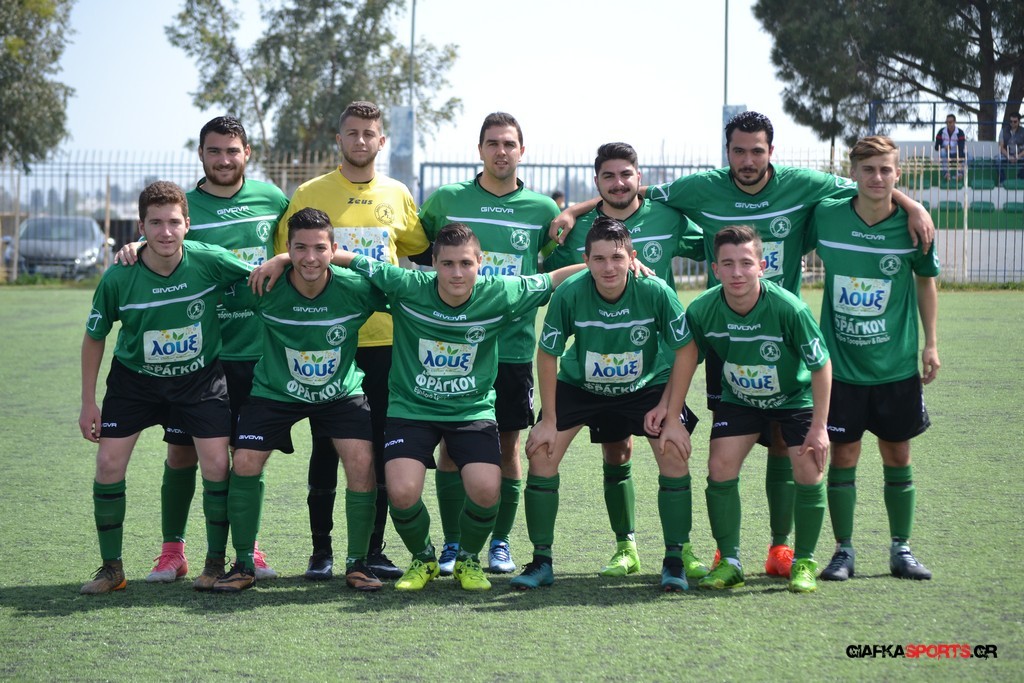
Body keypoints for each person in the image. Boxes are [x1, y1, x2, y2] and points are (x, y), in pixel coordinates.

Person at [550, 111, 933, 580]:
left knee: (783, 446)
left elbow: (867, 186)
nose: (748, 160)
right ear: (727, 152)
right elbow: (629, 193)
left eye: (757, 151)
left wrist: (911, 205)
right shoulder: (700, 189)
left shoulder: (804, 184)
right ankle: (724, 553)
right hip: (727, 344)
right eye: (738, 151)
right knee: (721, 451)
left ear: (772, 151)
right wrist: (573, 211)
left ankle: (782, 549)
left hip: (782, 334)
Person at [255, 223, 584, 590]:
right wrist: (284, 259)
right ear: (433, 265)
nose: (456, 273)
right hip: (411, 410)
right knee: (401, 492)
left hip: (470, 411)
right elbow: (353, 259)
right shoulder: (407, 286)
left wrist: (606, 265)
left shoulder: (501, 292)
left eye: (465, 263)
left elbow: (553, 278)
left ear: (480, 263)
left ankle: (468, 559)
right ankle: (424, 558)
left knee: (487, 489)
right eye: (447, 264)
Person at [116, 115, 289, 588]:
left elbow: (296, 246)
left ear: (247, 153)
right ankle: (173, 552)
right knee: (181, 455)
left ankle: (248, 546)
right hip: (196, 356)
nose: (224, 159)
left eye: (232, 150)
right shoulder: (184, 207)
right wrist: (134, 245)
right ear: (201, 154)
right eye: (215, 151)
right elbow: (160, 239)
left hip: (255, 349)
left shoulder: (273, 199)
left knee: (248, 454)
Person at [275, 101, 430, 581]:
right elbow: (288, 254)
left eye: (369, 133)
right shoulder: (310, 193)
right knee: (327, 445)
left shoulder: (397, 194)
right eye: (352, 133)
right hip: (328, 339)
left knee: (380, 445)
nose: (361, 141)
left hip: (384, 341)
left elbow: (421, 252)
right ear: (338, 140)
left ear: (381, 141)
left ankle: (372, 550)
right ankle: (320, 552)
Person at [542, 142, 708, 580]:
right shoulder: (578, 230)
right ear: (597, 182)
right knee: (615, 451)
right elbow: (550, 272)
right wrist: (571, 212)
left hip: (653, 368)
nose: (618, 184)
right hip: (592, 370)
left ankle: (681, 550)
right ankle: (625, 547)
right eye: (608, 176)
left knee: (672, 448)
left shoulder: (668, 216)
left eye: (626, 175)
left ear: (639, 177)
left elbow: (709, 245)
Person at [79, 181, 253, 594]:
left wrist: (290, 262)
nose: (166, 231)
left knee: (216, 465)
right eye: (155, 223)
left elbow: (264, 275)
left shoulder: (210, 260)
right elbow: (94, 336)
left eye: (174, 222)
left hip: (199, 380)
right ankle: (112, 569)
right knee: (108, 465)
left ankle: (214, 563)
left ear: (188, 224)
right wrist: (88, 402)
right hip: (135, 381)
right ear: (140, 228)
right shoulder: (119, 276)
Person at [512, 217, 700, 592]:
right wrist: (548, 420)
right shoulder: (570, 293)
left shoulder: (655, 291)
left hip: (645, 384)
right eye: (598, 259)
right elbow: (547, 354)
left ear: (632, 257)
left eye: (616, 258)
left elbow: (686, 350)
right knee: (541, 452)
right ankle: (542, 561)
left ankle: (675, 559)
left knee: (673, 449)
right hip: (581, 385)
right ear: (586, 260)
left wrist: (672, 415)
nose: (608, 267)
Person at [210, 208, 388, 592]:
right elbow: (209, 282)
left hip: (340, 392)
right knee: (244, 461)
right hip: (275, 391)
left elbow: (406, 292)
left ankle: (357, 563)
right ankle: (243, 564)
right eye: (300, 248)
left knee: (362, 462)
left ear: (334, 250)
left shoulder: (357, 288)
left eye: (319, 248)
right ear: (287, 250)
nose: (310, 257)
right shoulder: (264, 286)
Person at [417, 113, 560, 575]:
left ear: (522, 151)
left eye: (509, 143)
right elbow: (417, 251)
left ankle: (499, 542)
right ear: (479, 149)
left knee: (507, 448)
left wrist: (574, 211)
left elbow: (554, 263)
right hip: (454, 348)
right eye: (493, 143)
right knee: (451, 449)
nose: (501, 151)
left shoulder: (541, 209)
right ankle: (453, 544)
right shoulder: (448, 200)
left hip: (512, 349)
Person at [809, 136, 940, 582]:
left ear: (897, 173)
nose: (877, 178)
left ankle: (901, 549)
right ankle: (843, 551)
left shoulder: (914, 227)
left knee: (898, 454)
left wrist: (931, 343)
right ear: (854, 174)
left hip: (895, 365)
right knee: (843, 456)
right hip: (841, 367)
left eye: (886, 170)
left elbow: (926, 282)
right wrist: (912, 201)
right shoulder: (827, 216)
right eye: (868, 169)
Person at [684, 225, 831, 594]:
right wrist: (671, 414)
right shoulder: (703, 309)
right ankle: (730, 562)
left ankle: (803, 561)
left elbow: (821, 365)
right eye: (728, 264)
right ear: (715, 269)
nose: (737, 272)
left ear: (762, 267)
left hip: (794, 398)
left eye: (746, 263)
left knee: (809, 467)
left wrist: (819, 427)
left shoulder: (789, 308)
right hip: (740, 399)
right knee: (719, 466)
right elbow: (685, 359)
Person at [934, 114, 966, 181]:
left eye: (950, 122)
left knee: (969, 157)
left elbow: (961, 147)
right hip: (946, 154)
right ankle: (946, 174)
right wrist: (943, 147)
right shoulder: (941, 132)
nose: (948, 124)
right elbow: (936, 147)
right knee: (942, 151)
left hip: (956, 154)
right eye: (947, 122)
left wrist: (960, 161)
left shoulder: (960, 132)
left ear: (955, 122)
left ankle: (959, 174)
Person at [997, 112, 1024, 184]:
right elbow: (1001, 147)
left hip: (1020, 155)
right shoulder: (1003, 130)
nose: (1012, 123)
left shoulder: (1023, 131)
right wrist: (1008, 156)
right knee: (997, 160)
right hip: (1006, 155)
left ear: (1019, 122)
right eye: (1011, 121)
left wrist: (1018, 156)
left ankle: (1020, 179)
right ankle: (1003, 181)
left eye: (1015, 121)